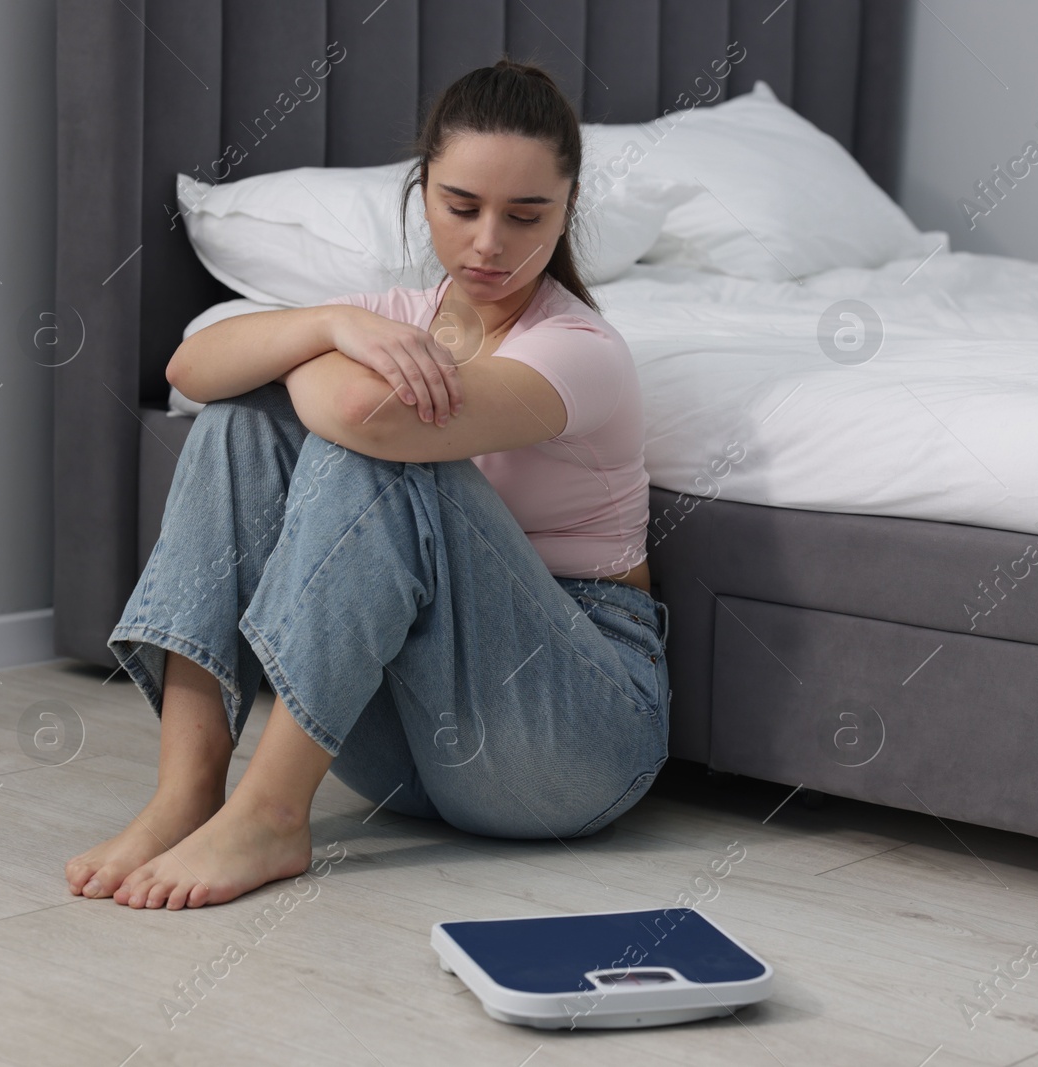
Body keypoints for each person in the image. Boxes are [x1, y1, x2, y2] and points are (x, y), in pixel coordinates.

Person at [66, 58, 670, 910]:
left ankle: (272, 812)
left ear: (567, 211)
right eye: (462, 207)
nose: (489, 243)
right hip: (408, 757)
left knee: (368, 447)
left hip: (572, 738)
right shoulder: (390, 313)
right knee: (239, 422)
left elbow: (370, 418)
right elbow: (191, 368)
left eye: (526, 215)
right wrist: (327, 322)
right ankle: (188, 792)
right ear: (424, 192)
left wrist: (302, 361)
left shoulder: (581, 349)